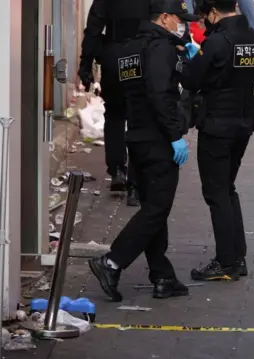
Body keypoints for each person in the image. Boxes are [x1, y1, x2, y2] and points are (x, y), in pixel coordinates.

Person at [88, 0, 198, 302]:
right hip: (157, 139)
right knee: (157, 209)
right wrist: (174, 135)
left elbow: (133, 92)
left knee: (153, 208)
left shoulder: (129, 49)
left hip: (135, 136)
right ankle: (111, 262)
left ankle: (162, 276)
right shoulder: (159, 48)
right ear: (164, 18)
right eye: (179, 19)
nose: (183, 26)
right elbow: (160, 93)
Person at [182, 0, 254, 282]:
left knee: (216, 192)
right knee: (228, 189)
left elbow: (192, 79)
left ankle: (226, 261)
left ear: (214, 13)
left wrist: (189, 59)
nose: (205, 20)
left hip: (217, 124)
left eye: (206, 15)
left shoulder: (217, 42)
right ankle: (237, 255)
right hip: (243, 123)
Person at [78, 0, 148, 206]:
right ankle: (135, 183)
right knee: (139, 119)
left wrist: (85, 65)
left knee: (115, 115)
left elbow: (93, 30)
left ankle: (117, 169)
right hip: (140, 55)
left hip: (114, 57)